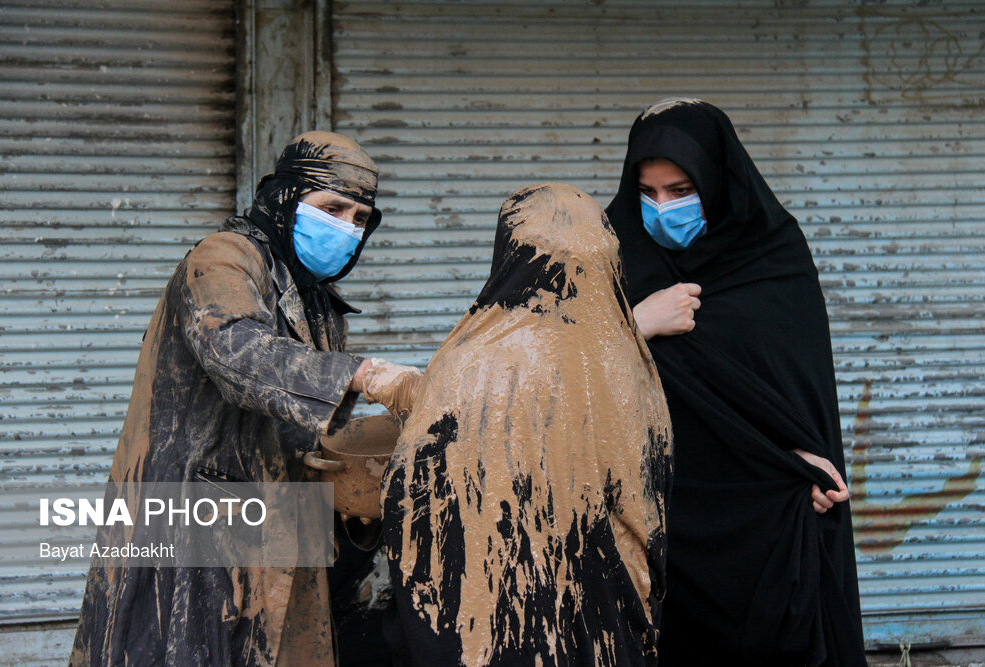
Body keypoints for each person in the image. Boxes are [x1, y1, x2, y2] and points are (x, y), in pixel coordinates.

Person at [70, 131, 422, 666]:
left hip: (275, 524)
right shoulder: (224, 257)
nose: (346, 229)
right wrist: (369, 376)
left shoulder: (316, 298)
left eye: (358, 218)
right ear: (284, 199)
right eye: (332, 208)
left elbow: (297, 412)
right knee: (182, 647)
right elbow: (238, 353)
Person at [606, 98, 866, 665]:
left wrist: (804, 460)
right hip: (655, 510)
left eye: (680, 190)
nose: (661, 208)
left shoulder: (774, 254)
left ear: (719, 181)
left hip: (757, 509)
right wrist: (636, 324)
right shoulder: (610, 255)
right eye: (647, 193)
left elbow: (796, 392)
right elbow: (554, 367)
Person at [381, 183, 673, 665]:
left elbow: (413, 507)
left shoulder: (471, 362)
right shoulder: (634, 368)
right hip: (609, 636)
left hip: (494, 636)